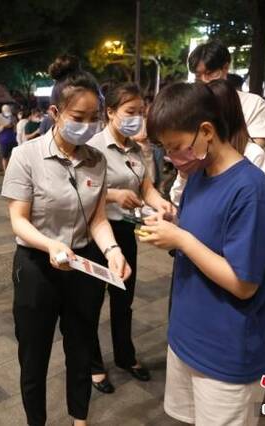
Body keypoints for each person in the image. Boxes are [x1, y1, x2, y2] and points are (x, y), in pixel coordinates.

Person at [141, 82, 265, 426]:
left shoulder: (252, 193)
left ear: (206, 131)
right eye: (166, 149)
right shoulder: (199, 176)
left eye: (176, 147)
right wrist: (175, 224)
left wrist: (181, 239)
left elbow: (243, 283)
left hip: (226, 354)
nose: (173, 158)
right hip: (186, 337)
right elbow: (202, 237)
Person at [1, 55, 131, 426]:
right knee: (34, 354)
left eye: (94, 118)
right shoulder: (26, 156)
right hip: (38, 266)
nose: (88, 127)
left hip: (82, 264)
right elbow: (18, 220)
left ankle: (80, 417)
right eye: (79, 118)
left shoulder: (96, 160)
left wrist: (113, 250)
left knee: (80, 347)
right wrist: (50, 245)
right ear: (56, 112)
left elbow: (98, 217)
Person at [87, 82, 177, 394]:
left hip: (125, 232)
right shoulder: (92, 148)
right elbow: (80, 189)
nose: (137, 118)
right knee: (92, 302)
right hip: (96, 236)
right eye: (130, 112)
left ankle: (125, 356)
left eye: (141, 112)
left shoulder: (138, 150)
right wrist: (112, 195)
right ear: (110, 112)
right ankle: (94, 365)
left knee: (123, 301)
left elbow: (146, 187)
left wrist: (160, 202)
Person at [170, 79, 265, 207]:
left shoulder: (252, 154)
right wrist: (183, 175)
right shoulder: (200, 151)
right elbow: (178, 200)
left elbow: (258, 204)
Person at [188, 41, 265, 149]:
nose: (204, 80)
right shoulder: (190, 103)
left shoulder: (254, 104)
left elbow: (255, 151)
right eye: (198, 75)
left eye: (209, 73)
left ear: (225, 68)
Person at [0, 104, 18, 171]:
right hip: (4, 140)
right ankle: (5, 171)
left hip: (13, 139)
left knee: (13, 156)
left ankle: (12, 170)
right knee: (4, 157)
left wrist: (13, 125)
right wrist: (5, 126)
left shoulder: (13, 117)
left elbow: (15, 128)